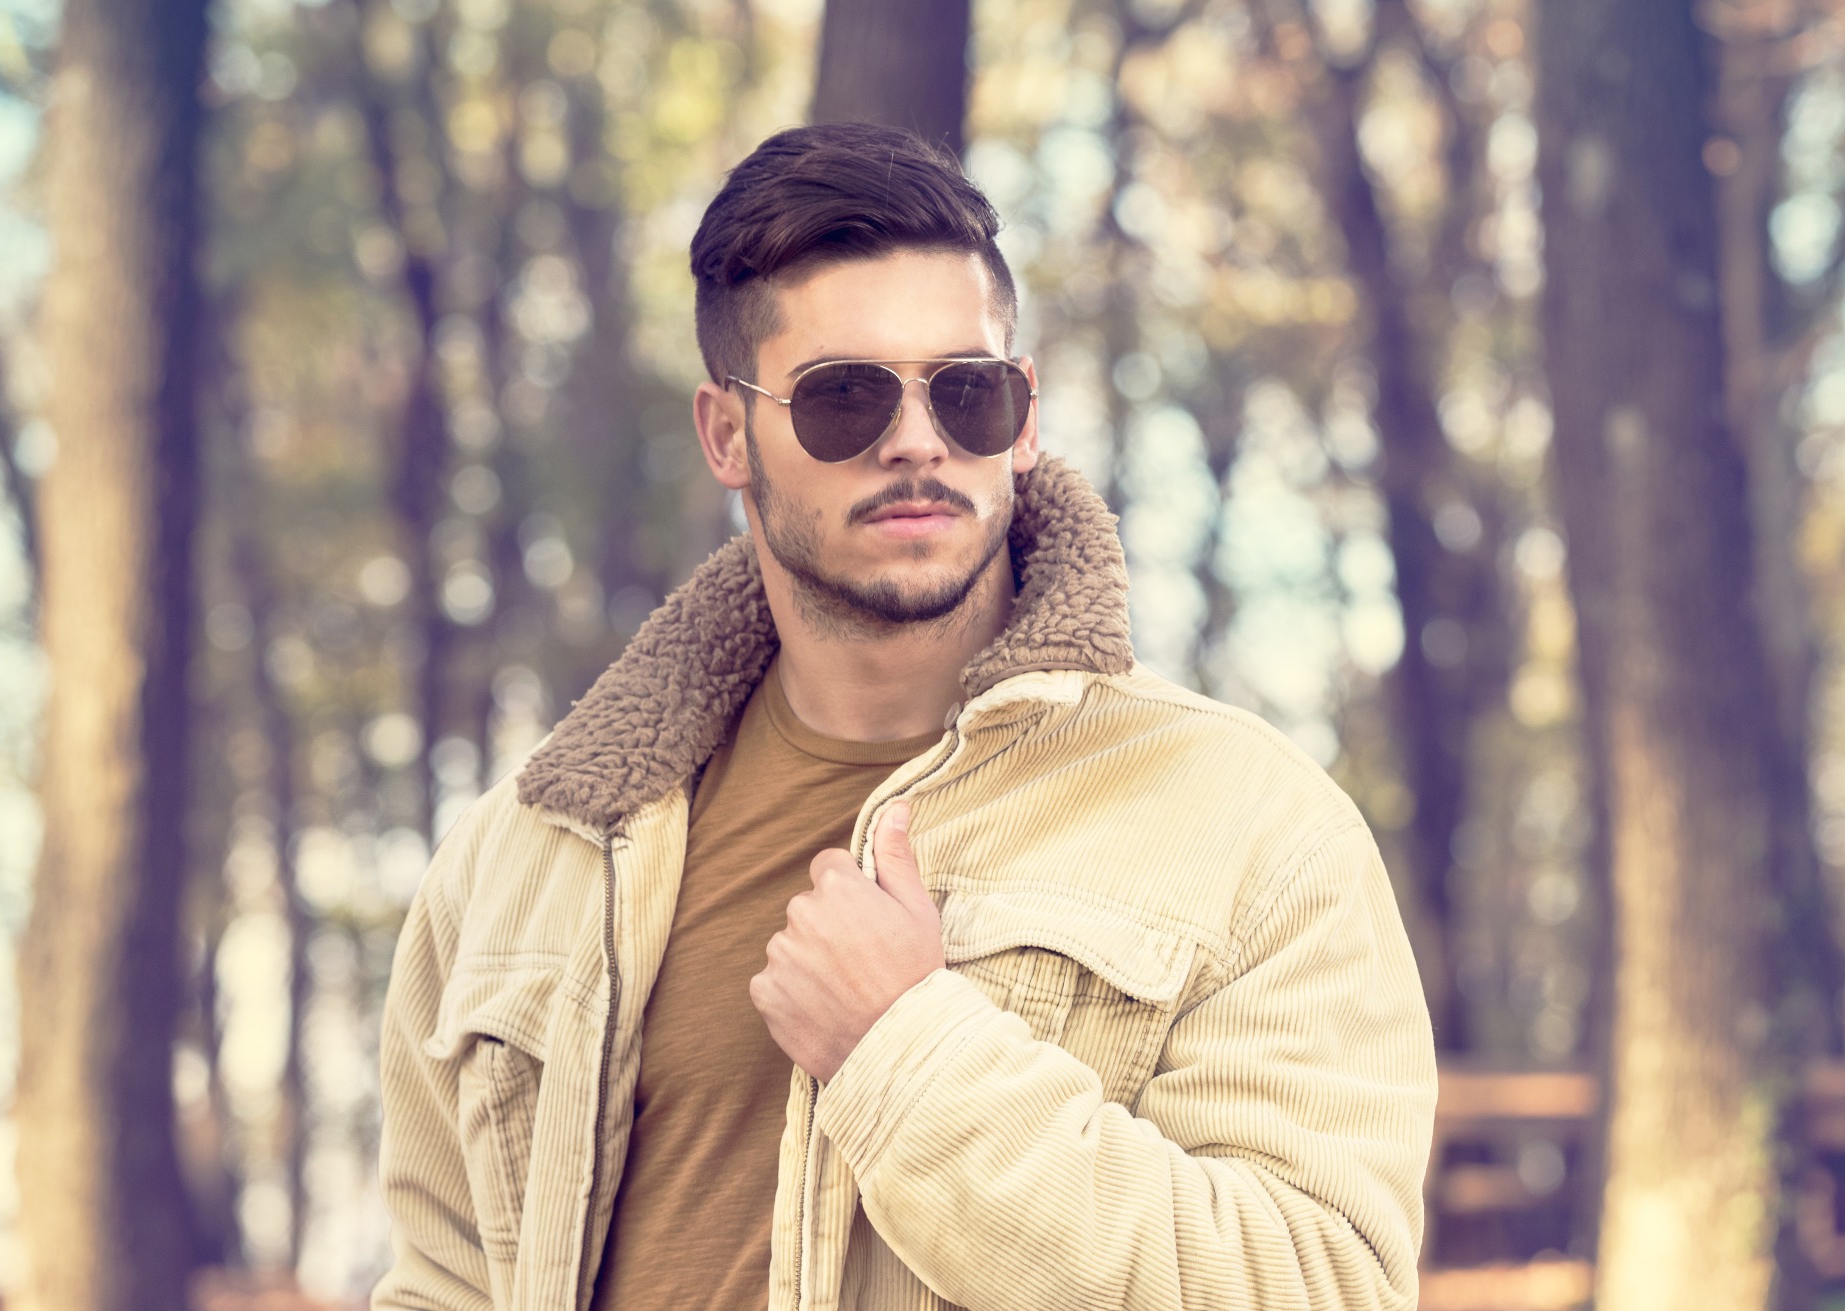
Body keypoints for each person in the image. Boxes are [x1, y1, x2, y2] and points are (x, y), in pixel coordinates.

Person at [372, 122, 1436, 1311]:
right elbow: (441, 1284)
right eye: (844, 398)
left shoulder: (1247, 828)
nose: (917, 440)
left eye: (967, 392)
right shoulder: (526, 860)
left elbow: (1323, 1282)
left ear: (1023, 422)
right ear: (727, 434)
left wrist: (908, 1055)